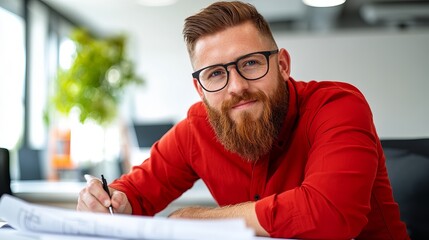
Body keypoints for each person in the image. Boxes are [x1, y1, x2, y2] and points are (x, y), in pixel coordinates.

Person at [77, 1, 409, 239]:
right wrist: (111, 202)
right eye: (216, 73)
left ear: (282, 65)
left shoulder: (338, 105)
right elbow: (136, 192)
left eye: (250, 64)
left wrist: (200, 220)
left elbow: (331, 214)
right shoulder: (197, 128)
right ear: (200, 88)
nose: (237, 87)